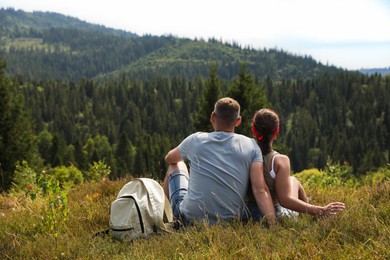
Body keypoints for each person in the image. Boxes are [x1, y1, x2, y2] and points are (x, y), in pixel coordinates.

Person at [163, 97, 275, 226]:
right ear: (238, 121)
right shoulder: (251, 145)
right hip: (230, 222)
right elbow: (260, 190)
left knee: (176, 164)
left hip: (189, 220)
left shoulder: (195, 140)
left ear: (212, 117)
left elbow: (169, 158)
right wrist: (272, 225)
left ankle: (164, 216)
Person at [248, 108, 345, 218]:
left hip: (248, 212)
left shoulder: (245, 153)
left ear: (253, 129)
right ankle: (312, 214)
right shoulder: (280, 160)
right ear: (276, 132)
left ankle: (308, 208)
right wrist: (321, 210)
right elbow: (285, 200)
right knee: (293, 180)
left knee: (292, 180)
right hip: (274, 215)